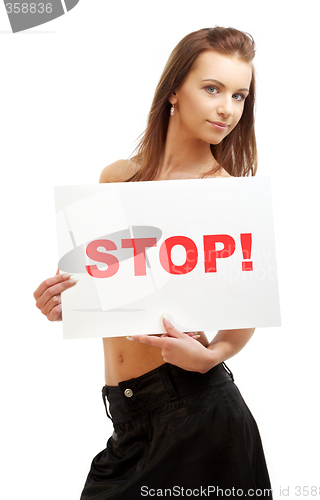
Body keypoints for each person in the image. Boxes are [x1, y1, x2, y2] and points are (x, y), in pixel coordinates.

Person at [33, 27, 273, 499]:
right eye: (212, 89)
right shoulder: (117, 178)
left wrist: (212, 356)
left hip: (198, 416)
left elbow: (249, 307)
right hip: (128, 423)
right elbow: (108, 292)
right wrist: (66, 302)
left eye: (239, 95)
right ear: (173, 93)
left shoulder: (227, 193)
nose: (228, 108)